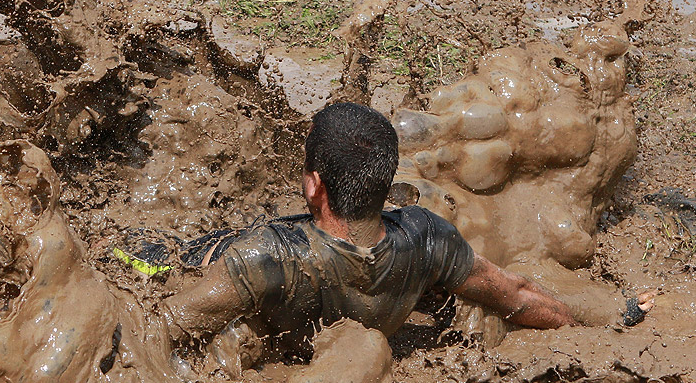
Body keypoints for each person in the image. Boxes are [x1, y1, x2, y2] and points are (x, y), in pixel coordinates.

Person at [157, 102, 652, 358]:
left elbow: (160, 329)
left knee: (136, 255)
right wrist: (612, 317)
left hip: (198, 263)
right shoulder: (427, 239)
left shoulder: (266, 255)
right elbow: (519, 298)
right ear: (386, 183)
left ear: (313, 185)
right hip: (376, 315)